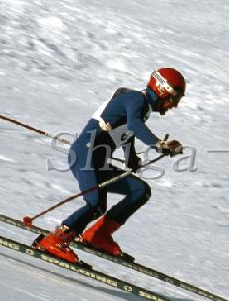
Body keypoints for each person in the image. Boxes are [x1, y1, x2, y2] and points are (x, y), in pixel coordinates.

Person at [35, 68, 186, 264]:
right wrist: (159, 144)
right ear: (163, 90)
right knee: (96, 204)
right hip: (84, 155)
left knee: (140, 190)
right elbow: (135, 125)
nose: (175, 105)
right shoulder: (136, 99)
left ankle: (98, 235)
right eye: (175, 98)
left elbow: (128, 132)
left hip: (97, 162)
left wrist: (131, 157)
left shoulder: (142, 106)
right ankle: (54, 240)